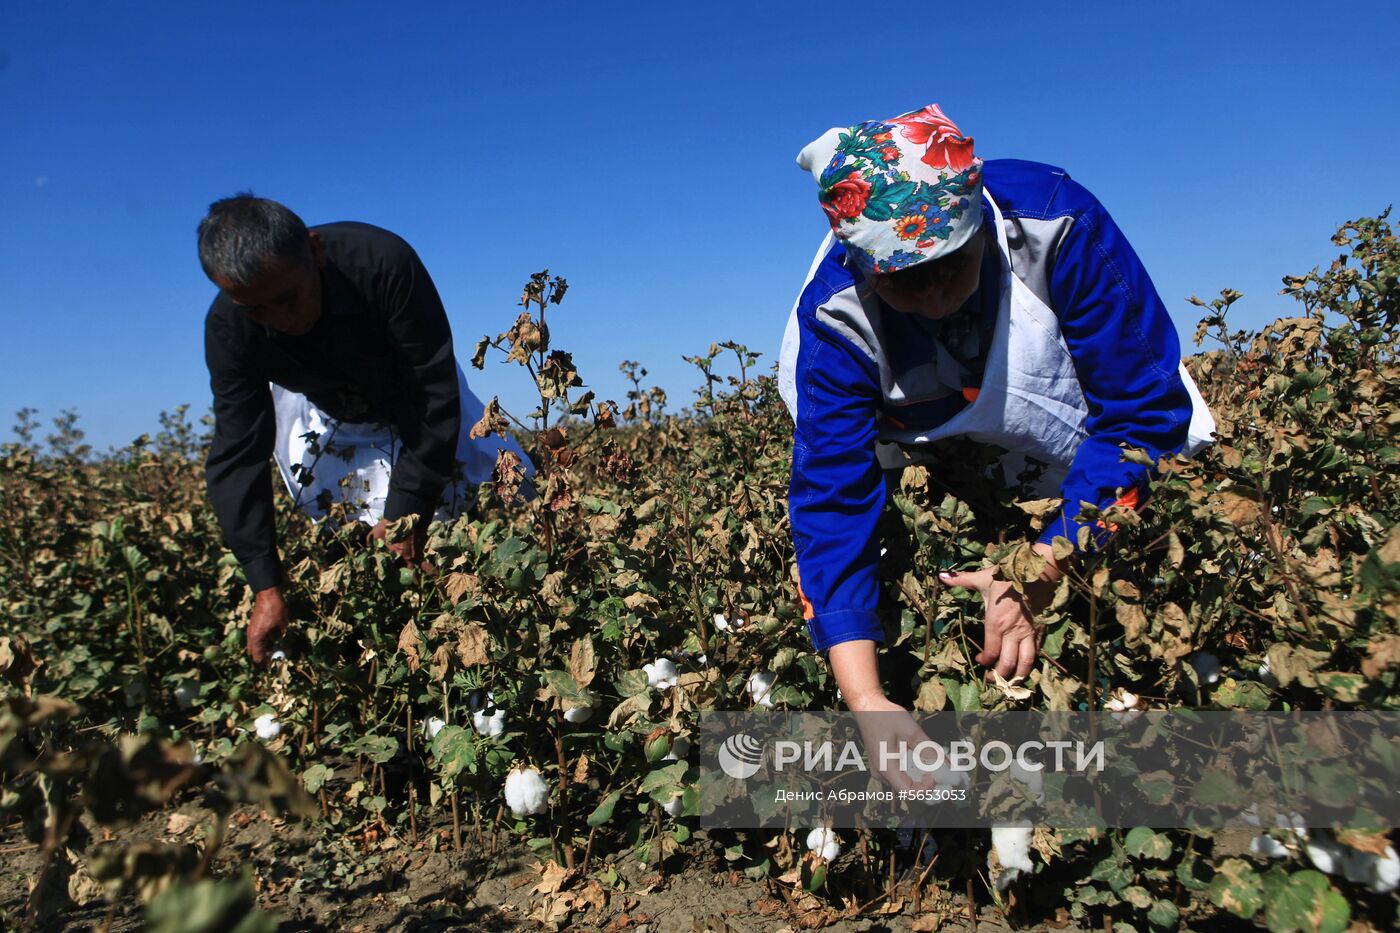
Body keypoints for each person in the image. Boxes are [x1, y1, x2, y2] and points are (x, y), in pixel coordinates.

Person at [777, 105, 1214, 787]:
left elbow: (1137, 413)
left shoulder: (1058, 223)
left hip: (1077, 429)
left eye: (949, 267)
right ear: (862, 269)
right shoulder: (834, 321)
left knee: (1145, 553)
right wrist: (865, 698)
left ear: (979, 220)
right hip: (932, 449)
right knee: (934, 553)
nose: (932, 299)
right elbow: (832, 504)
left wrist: (1043, 566)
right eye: (902, 282)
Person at [199, 194, 531, 664]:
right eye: (256, 310)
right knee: (357, 544)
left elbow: (432, 396)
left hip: (417, 394)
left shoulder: (382, 262)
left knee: (502, 500)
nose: (280, 321)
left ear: (315, 251)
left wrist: (404, 513)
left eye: (287, 298)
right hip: (332, 414)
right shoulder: (229, 327)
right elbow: (239, 449)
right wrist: (265, 584)